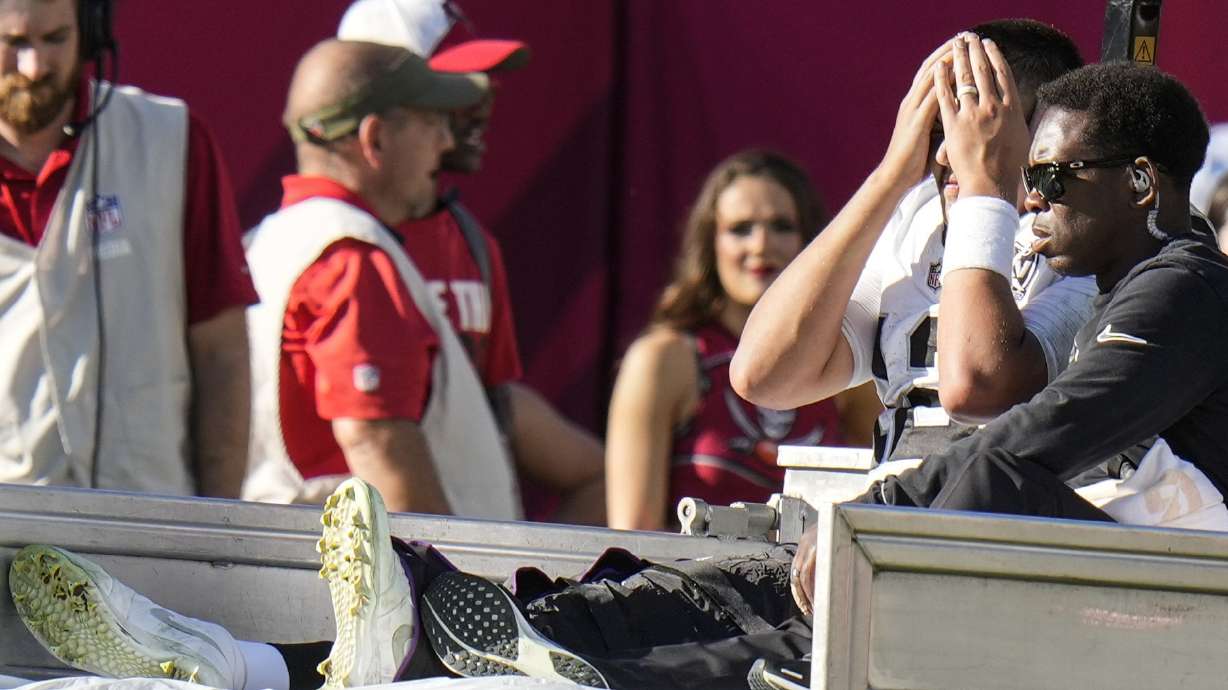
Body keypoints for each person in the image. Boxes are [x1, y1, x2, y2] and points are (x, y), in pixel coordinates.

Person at [732, 20, 1096, 465]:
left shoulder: (1090, 239)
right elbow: (764, 375)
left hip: (1016, 497)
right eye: (938, 130)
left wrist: (986, 189)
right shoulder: (916, 221)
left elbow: (976, 386)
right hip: (898, 497)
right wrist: (891, 176)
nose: (946, 154)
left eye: (977, 127)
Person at [338, 0, 606, 524]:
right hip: (345, 550)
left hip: (451, 554)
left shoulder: (473, 244)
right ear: (383, 103)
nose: (485, 99)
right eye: (457, 85)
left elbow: (489, 411)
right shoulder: (324, 244)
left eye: (485, 80)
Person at [240, 39, 524, 519]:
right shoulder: (350, 256)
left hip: (304, 549)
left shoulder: (265, 242)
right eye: (431, 123)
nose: (447, 142)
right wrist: (441, 563)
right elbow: (376, 443)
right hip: (368, 562)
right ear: (374, 140)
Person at [0, 0, 254, 497]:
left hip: (150, 515)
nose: (34, 67)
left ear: (90, 31)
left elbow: (221, 352)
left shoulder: (170, 139)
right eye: (14, 43)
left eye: (55, 39)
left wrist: (221, 524)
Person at [605, 149, 879, 531]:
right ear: (710, 244)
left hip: (815, 569)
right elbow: (634, 532)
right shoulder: (663, 359)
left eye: (782, 226)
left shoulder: (843, 356)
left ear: (811, 240)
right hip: (688, 570)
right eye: (740, 229)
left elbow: (887, 497)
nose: (761, 245)